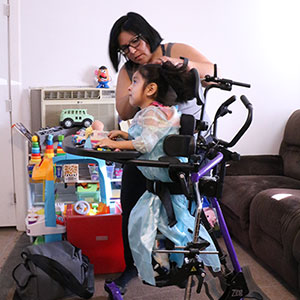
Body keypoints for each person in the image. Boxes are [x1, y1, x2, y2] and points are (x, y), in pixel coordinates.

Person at [108, 11, 217, 293]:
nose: (132, 52)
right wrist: (139, 85)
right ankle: (132, 265)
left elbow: (212, 70)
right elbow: (123, 110)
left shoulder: (174, 49)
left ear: (147, 34)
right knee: (131, 205)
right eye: (124, 49)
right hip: (148, 149)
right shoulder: (130, 71)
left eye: (135, 43)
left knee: (185, 208)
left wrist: (171, 65)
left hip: (185, 147)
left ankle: (186, 261)